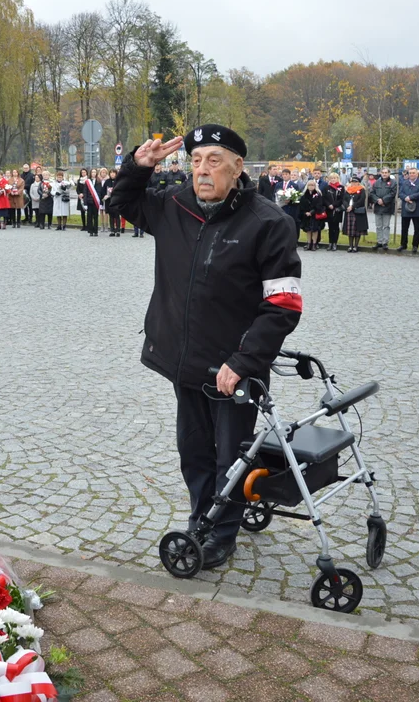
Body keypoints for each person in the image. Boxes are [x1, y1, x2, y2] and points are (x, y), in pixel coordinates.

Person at [107, 125, 302, 570]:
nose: (202, 170)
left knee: (231, 452)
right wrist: (139, 165)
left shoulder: (269, 224)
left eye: (214, 160)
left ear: (238, 166)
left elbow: (284, 305)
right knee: (194, 448)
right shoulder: (174, 204)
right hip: (183, 358)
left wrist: (244, 360)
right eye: (195, 161)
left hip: (233, 366)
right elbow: (120, 203)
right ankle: (203, 516)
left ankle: (221, 533)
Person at [398, 167, 419, 253]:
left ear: (417, 174)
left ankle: (415, 245)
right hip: (406, 208)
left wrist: (410, 197)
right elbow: (400, 193)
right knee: (404, 228)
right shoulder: (404, 182)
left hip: (416, 208)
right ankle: (403, 244)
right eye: (410, 173)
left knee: (417, 228)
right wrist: (405, 198)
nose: (412, 174)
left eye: (413, 173)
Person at [370, 167, 396, 250]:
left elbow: (392, 194)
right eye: (383, 172)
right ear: (380, 173)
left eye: (386, 172)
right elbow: (372, 193)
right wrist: (377, 200)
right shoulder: (376, 182)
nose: (384, 174)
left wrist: (383, 200)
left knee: (386, 226)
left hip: (387, 207)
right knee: (378, 226)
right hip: (378, 207)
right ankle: (379, 241)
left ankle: (385, 242)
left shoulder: (393, 183)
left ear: (389, 173)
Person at [297, 178, 326, 251]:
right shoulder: (304, 195)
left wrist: (311, 212)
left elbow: (319, 205)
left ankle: (314, 244)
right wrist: (305, 212)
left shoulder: (318, 194)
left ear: (315, 186)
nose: (311, 186)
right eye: (309, 185)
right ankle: (309, 243)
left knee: (315, 230)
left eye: (312, 185)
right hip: (306, 215)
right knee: (308, 230)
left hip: (315, 214)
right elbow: (301, 205)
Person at [343, 176, 369, 252]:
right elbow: (344, 199)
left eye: (355, 182)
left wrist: (352, 206)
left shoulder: (361, 190)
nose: (354, 183)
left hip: (357, 211)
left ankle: (356, 246)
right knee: (350, 230)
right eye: (352, 182)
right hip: (349, 211)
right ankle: (350, 246)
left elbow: (361, 200)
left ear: (358, 183)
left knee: (357, 230)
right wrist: (347, 206)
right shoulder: (348, 190)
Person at [322, 172, 344, 251]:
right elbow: (324, 198)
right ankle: (330, 243)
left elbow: (341, 199)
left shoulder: (341, 188)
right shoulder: (327, 188)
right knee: (330, 227)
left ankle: (335, 243)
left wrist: (334, 205)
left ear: (337, 179)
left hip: (337, 210)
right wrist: (329, 205)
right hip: (329, 210)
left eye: (334, 178)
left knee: (336, 227)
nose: (333, 180)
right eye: (331, 178)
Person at [78, 168, 100, 236]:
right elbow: (85, 192)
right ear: (90, 173)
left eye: (95, 172)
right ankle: (90, 231)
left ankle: (95, 231)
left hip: (96, 202)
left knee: (95, 217)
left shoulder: (98, 181)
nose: (93, 173)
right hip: (89, 202)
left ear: (96, 173)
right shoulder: (87, 182)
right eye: (92, 172)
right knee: (89, 217)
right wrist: (85, 203)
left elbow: (100, 192)